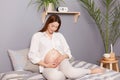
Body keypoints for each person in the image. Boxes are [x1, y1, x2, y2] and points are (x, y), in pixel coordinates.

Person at [28, 14, 104, 80]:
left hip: (62, 62)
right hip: (48, 66)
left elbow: (68, 52)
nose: (54, 29)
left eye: (56, 27)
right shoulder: (37, 36)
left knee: (71, 72)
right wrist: (46, 65)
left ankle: (90, 71)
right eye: (52, 26)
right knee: (55, 77)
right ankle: (66, 75)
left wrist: (63, 56)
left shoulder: (59, 36)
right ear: (47, 23)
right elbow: (32, 55)